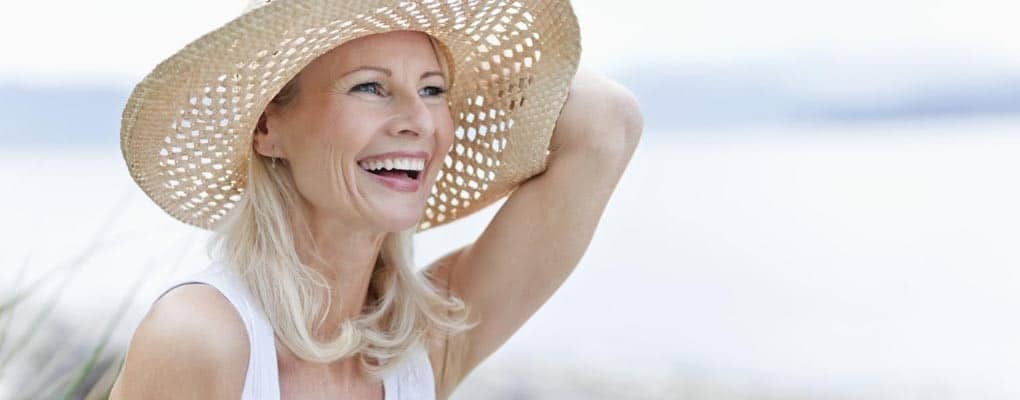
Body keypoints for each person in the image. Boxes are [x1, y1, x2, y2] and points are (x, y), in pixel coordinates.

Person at [110, 0, 641, 399]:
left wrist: (466, 76)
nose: (418, 120)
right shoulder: (200, 336)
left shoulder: (423, 342)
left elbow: (607, 120)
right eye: (369, 87)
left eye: (434, 91)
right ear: (268, 125)